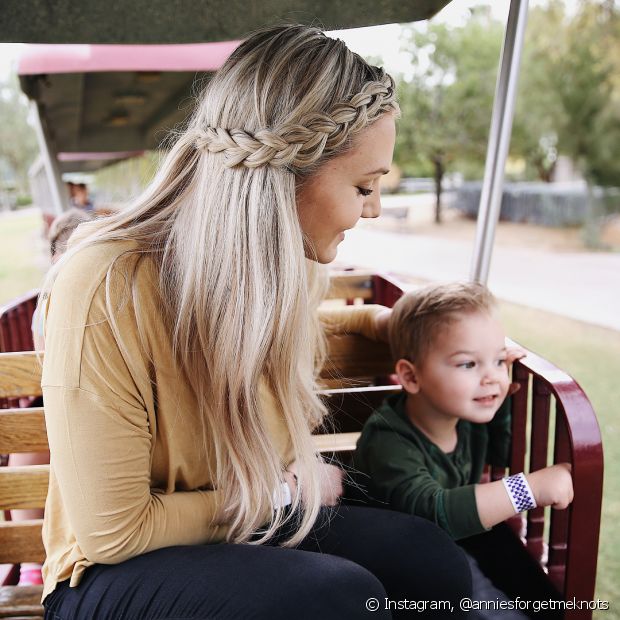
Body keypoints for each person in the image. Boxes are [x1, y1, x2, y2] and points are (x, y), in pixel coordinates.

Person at [35, 25, 473, 619]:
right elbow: (114, 532)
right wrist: (282, 493)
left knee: (430, 562)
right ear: (285, 177)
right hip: (110, 574)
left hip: (239, 522)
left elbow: (305, 330)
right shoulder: (105, 284)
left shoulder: (277, 273)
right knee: (337, 599)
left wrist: (381, 322)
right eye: (364, 186)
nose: (373, 208)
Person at [354, 282, 574, 618]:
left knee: (532, 586)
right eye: (469, 364)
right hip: (395, 566)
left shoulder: (464, 417)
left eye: (499, 361)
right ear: (411, 377)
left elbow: (503, 454)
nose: (492, 377)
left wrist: (499, 404)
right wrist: (529, 489)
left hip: (449, 542)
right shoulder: (388, 440)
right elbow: (434, 513)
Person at [9, 208, 96, 587]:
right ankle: (31, 563)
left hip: (76, 397)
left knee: (30, 441)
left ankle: (30, 564)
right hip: (79, 397)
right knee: (37, 436)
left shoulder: (55, 289)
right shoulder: (68, 287)